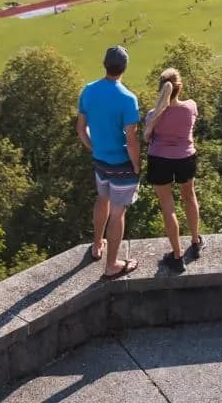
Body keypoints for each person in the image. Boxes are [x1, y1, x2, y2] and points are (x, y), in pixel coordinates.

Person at [76, 44, 142, 278]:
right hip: (122, 164)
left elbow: (81, 129)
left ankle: (96, 246)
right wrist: (136, 165)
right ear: (125, 67)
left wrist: (94, 148)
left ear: (105, 65)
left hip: (100, 161)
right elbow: (132, 140)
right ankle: (112, 264)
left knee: (102, 199)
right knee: (118, 213)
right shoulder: (128, 98)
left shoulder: (88, 90)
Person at [142, 66, 203, 273]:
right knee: (190, 197)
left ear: (160, 89)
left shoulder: (152, 116)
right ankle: (195, 242)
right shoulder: (190, 107)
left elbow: (148, 137)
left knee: (168, 207)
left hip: (159, 159)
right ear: (180, 87)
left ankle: (177, 257)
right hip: (186, 157)